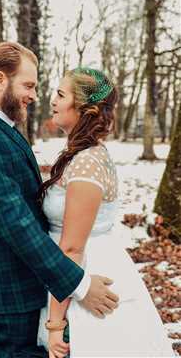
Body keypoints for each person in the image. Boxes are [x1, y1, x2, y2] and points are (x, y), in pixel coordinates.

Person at [0, 42, 119, 358]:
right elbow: (16, 224)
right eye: (28, 85)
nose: (35, 95)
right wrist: (79, 284)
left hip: (33, 282)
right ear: (1, 80)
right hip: (11, 290)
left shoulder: (5, 130)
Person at [37, 67, 174, 358]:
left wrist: (55, 323)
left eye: (61, 95)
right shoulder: (82, 155)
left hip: (86, 275)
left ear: (84, 109)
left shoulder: (87, 162)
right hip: (75, 272)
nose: (53, 101)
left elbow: (72, 248)